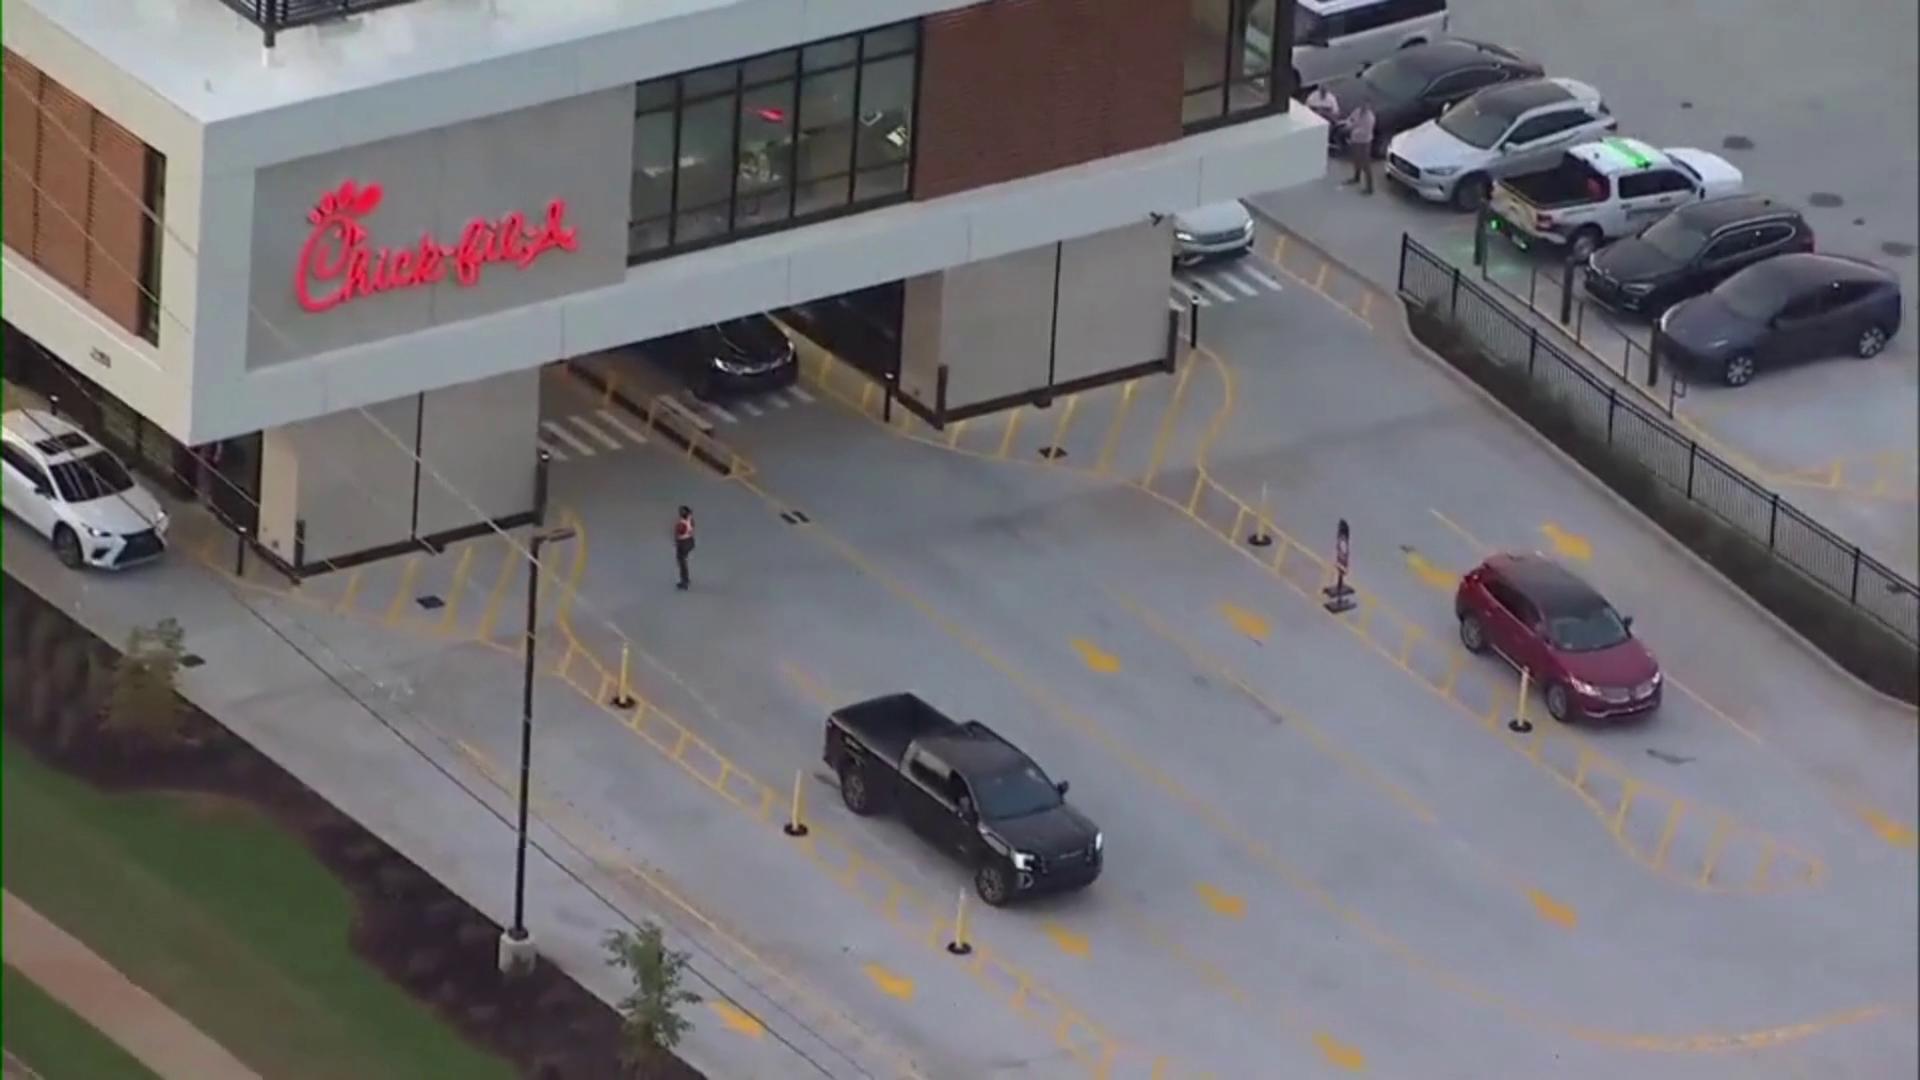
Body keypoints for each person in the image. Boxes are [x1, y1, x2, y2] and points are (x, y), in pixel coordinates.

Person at [1342, 102, 1377, 195]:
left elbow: (1364, 132)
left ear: (1369, 107)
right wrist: (1349, 123)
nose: (1363, 107)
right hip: (1355, 140)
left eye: (1365, 106)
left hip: (1364, 142)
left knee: (1366, 164)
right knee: (1356, 160)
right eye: (1362, 105)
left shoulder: (1370, 118)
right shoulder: (1357, 111)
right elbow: (1350, 118)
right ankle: (1356, 177)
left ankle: (1370, 188)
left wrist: (1351, 128)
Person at [672, 505, 696, 590]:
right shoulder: (690, 520)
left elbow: (679, 532)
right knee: (683, 560)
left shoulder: (682, 523)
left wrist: (676, 538)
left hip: (683, 543)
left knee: (682, 562)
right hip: (690, 541)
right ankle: (686, 579)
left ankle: (684, 582)